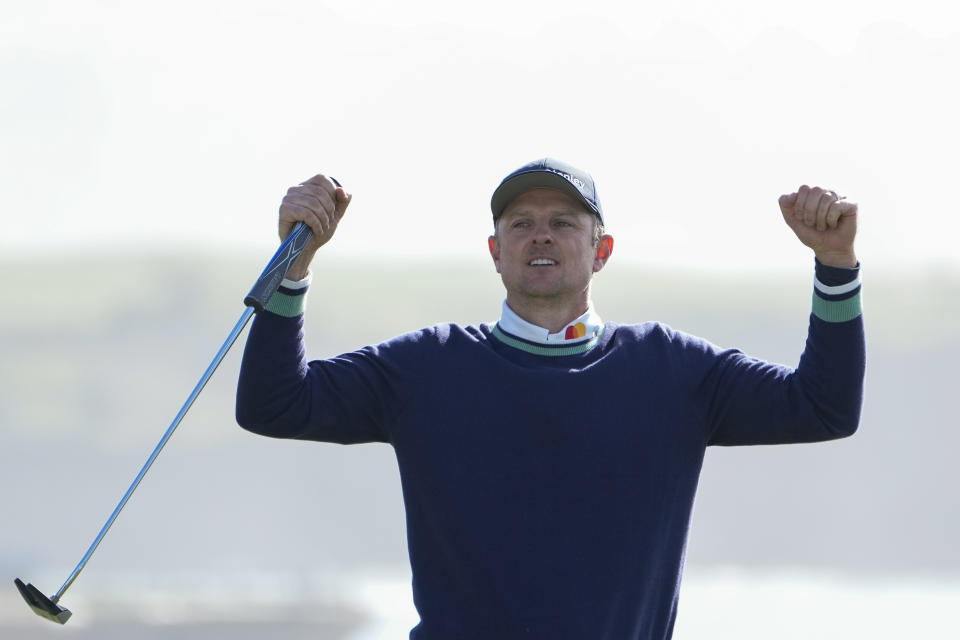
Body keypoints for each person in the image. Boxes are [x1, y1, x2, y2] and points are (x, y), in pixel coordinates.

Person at [236, 158, 865, 640]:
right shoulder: (426, 366)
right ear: (496, 252)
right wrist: (294, 266)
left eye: (564, 223)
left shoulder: (674, 369)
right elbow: (275, 404)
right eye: (521, 224)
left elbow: (822, 408)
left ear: (601, 251)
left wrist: (835, 263)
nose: (542, 236)